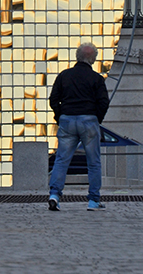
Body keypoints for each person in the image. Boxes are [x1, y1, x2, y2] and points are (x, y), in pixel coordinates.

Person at [47, 42, 110, 212]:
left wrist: (60, 116)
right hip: (89, 120)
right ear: (93, 59)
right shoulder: (96, 78)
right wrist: (97, 119)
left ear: (77, 57)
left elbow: (53, 99)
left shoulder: (64, 76)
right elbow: (104, 102)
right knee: (94, 163)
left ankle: (54, 194)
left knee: (61, 160)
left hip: (67, 119)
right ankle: (93, 200)